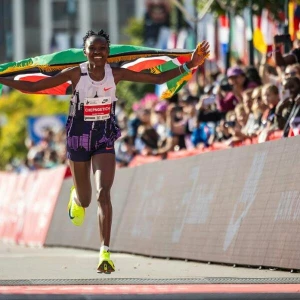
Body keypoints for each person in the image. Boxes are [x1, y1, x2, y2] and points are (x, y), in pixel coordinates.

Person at [0, 29, 210, 274]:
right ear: (85, 52)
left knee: (103, 193)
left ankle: (105, 253)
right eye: (93, 49)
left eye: (102, 49)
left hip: (103, 136)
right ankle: (76, 197)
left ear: (108, 52)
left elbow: (155, 79)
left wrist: (190, 66)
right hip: (78, 137)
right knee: (86, 199)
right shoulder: (75, 74)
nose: (98, 53)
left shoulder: (116, 74)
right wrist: (3, 78)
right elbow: (34, 87)